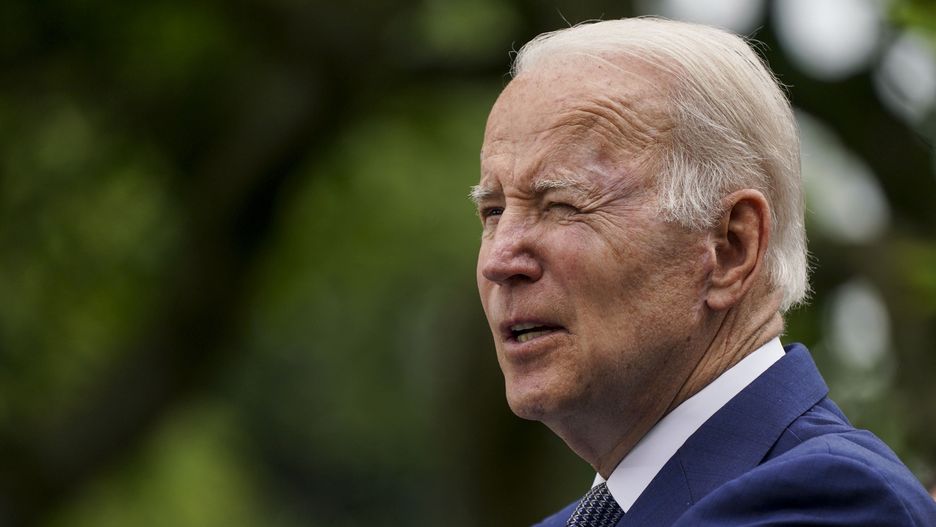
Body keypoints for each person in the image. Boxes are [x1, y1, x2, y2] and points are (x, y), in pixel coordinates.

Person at [471, 17, 936, 526]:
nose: (500, 261)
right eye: (493, 212)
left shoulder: (831, 502)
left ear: (730, 247)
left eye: (562, 205)